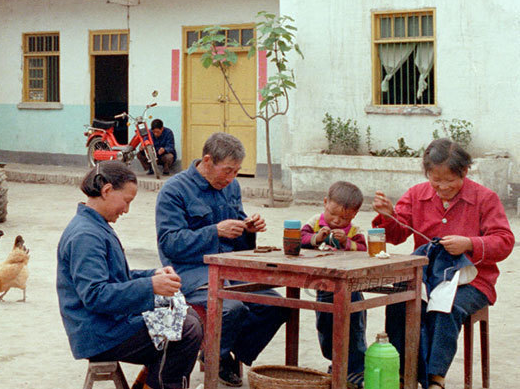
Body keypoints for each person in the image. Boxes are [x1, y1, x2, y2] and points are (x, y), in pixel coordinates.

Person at [373, 138, 514, 389]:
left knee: (445, 306)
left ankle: (434, 378)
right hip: (426, 278)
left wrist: (469, 243)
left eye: (450, 181)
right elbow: (395, 236)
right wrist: (388, 216)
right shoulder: (417, 195)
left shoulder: (484, 198)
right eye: (435, 181)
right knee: (398, 303)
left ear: (465, 172)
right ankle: (406, 373)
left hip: (472, 281)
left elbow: (504, 241)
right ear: (427, 174)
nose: (442, 187)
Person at [155, 132, 287, 387]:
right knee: (232, 308)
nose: (231, 179)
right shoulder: (174, 190)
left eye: (236, 172)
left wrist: (248, 228)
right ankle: (217, 358)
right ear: (207, 160)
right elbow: (170, 244)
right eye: (227, 171)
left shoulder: (231, 187)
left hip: (228, 268)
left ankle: (225, 353)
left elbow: (237, 239)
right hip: (190, 271)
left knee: (276, 306)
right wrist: (214, 231)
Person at [57, 161, 202, 389]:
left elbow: (116, 277)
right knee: (186, 330)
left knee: (187, 318)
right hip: (99, 333)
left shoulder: (94, 227)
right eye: (127, 201)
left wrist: (152, 275)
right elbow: (96, 295)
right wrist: (150, 286)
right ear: (106, 191)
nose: (126, 210)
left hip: (108, 324)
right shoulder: (86, 235)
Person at [301, 181, 368, 389]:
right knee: (325, 323)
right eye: (333, 214)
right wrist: (316, 237)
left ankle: (355, 367)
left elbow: (364, 247)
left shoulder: (353, 230)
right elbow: (300, 238)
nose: (338, 221)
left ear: (354, 215)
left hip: (350, 286)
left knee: (354, 323)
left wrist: (348, 243)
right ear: (325, 203)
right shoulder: (314, 222)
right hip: (324, 283)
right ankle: (336, 361)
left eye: (345, 218)